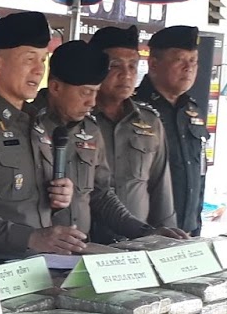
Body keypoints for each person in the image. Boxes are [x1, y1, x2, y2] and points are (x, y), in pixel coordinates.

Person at [0, 11, 86, 266]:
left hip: (38, 265)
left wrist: (61, 196)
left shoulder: (37, 125)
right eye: (29, 59)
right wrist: (30, 238)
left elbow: (33, 202)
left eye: (43, 60)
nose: (39, 70)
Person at [30, 40, 151, 245]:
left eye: (96, 92)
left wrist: (145, 232)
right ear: (56, 87)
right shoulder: (27, 125)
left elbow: (101, 195)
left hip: (79, 249)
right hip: (33, 252)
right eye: (85, 92)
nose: (92, 102)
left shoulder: (90, 130)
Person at [89, 25, 184, 240]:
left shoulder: (149, 121)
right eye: (115, 66)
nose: (126, 74)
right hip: (85, 242)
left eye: (133, 65)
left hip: (137, 243)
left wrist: (167, 240)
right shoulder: (79, 119)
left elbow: (160, 188)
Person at [135, 25, 209, 235]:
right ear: (153, 64)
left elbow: (199, 174)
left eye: (193, 60)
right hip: (143, 233)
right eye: (179, 60)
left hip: (186, 232)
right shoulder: (133, 110)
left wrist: (195, 227)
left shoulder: (192, 111)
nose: (189, 68)